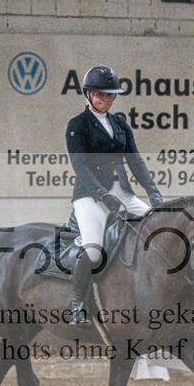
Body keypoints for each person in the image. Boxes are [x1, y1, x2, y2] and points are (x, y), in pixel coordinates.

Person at [65, 65, 163, 324]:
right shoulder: (77, 125)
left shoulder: (120, 123)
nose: (105, 99)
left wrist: (154, 194)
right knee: (95, 249)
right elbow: (80, 166)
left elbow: (136, 161)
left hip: (123, 193)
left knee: (161, 232)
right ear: (87, 94)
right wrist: (101, 195)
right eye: (100, 95)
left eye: (109, 95)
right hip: (89, 196)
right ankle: (78, 304)